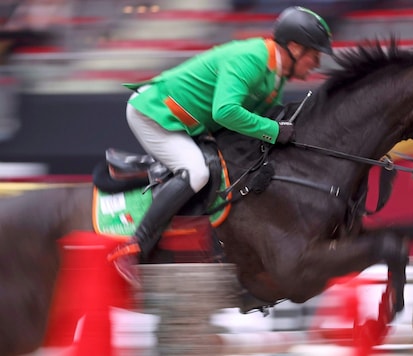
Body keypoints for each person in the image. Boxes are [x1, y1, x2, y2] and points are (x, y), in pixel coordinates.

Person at [106, 6, 333, 288]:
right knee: (197, 172)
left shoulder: (276, 77)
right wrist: (274, 131)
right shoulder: (251, 59)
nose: (317, 63)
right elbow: (225, 112)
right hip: (156, 113)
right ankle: (133, 248)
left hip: (186, 124)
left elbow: (250, 123)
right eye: (315, 54)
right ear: (295, 47)